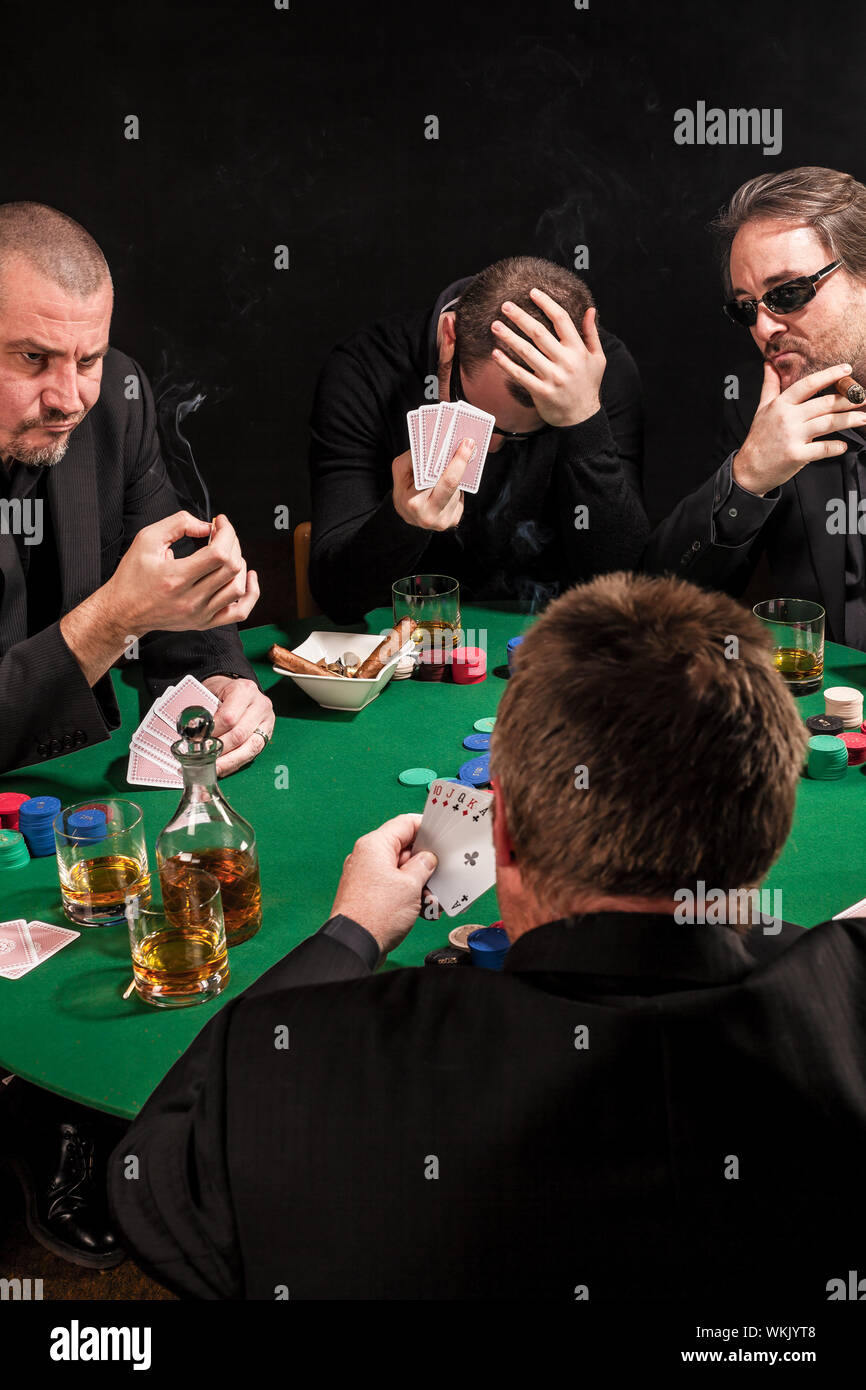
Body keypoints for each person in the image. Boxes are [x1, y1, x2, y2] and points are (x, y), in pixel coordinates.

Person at [107, 572, 866, 1300]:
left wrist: (350, 935)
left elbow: (148, 1172)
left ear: (498, 828)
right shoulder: (848, 997)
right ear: (777, 827)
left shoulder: (302, 1060)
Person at [0, 202, 274, 775]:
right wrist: (114, 618)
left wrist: (219, 676)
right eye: (32, 358)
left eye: (88, 358)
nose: (68, 399)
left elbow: (168, 576)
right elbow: (125, 611)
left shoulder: (117, 401)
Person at [309, 255, 648, 621]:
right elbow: (336, 598)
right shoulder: (364, 369)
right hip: (409, 635)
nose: (488, 448)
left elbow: (624, 591)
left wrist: (584, 422)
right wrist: (401, 522)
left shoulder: (601, 375)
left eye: (522, 435)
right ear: (450, 335)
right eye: (477, 415)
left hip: (551, 642)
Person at [645, 166, 866, 648]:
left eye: (787, 293)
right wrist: (746, 478)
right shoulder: (762, 411)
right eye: (747, 308)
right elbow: (656, 602)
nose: (764, 329)